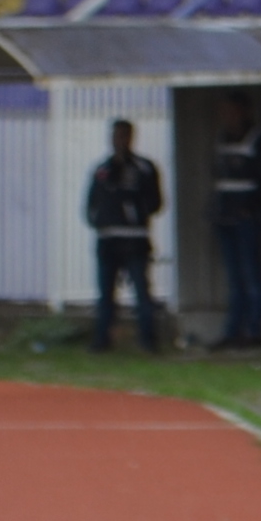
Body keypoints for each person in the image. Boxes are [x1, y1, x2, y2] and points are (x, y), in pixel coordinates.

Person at [85, 116, 163, 353]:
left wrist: (134, 209)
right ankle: (102, 339)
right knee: (105, 294)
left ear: (131, 138)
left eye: (123, 136)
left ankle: (148, 340)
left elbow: (155, 202)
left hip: (135, 239)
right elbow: (91, 203)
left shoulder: (144, 168)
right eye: (115, 136)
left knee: (141, 291)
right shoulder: (102, 169)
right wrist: (99, 221)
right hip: (108, 239)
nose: (118, 141)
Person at [209, 94, 261, 350]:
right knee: (234, 277)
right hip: (224, 216)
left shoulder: (258, 139)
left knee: (251, 274)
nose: (228, 117)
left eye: (232, 111)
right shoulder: (222, 138)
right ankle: (233, 330)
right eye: (224, 112)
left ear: (245, 111)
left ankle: (254, 330)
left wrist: (249, 208)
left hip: (248, 218)